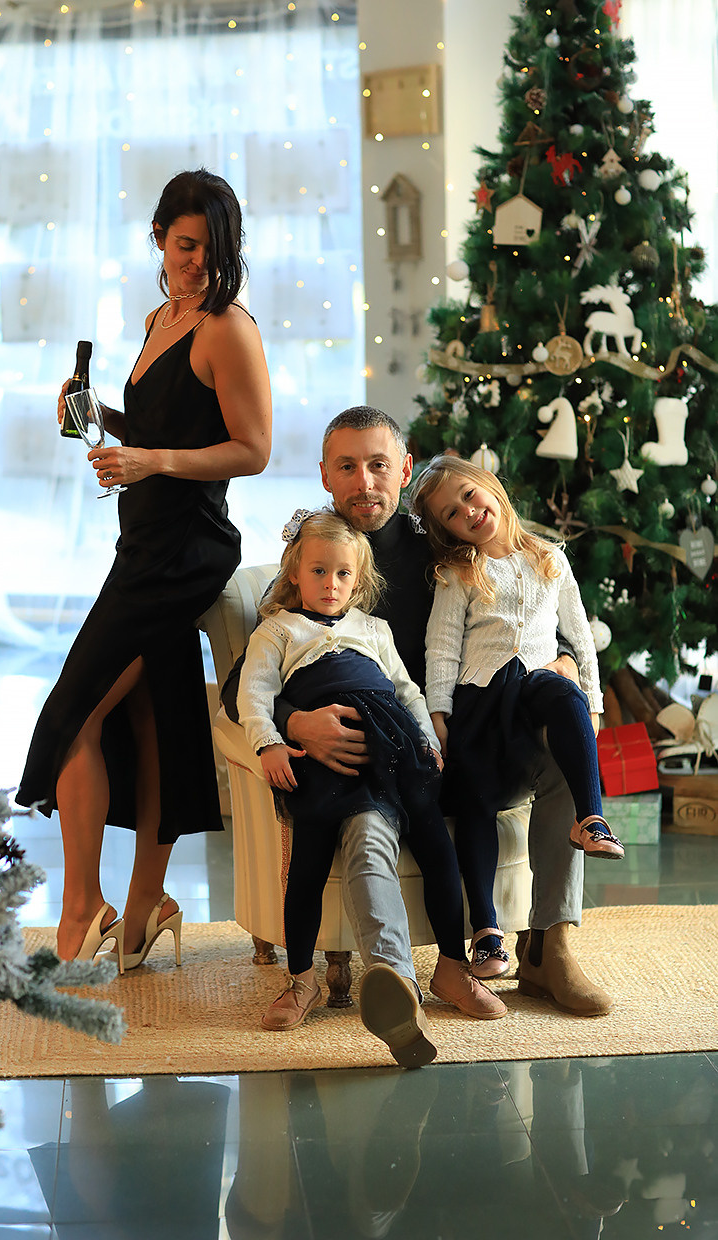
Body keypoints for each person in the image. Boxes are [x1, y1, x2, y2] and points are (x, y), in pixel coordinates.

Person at [222, 406, 614, 1064]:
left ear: (404, 471)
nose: (364, 482)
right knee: (371, 823)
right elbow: (246, 677)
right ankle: (390, 974)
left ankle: (549, 946)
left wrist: (569, 661)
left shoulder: (443, 544)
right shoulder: (314, 556)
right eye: (347, 467)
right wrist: (292, 723)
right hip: (367, 760)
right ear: (325, 475)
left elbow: (532, 600)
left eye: (378, 465)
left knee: (562, 753)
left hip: (462, 737)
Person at [16, 168, 272, 971]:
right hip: (144, 541)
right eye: (186, 244)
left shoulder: (228, 327)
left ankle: (82, 906)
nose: (199, 261)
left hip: (187, 550)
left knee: (73, 714)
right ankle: (145, 907)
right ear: (157, 237)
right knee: (153, 716)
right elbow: (165, 426)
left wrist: (150, 459)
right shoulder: (163, 317)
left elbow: (252, 450)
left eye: (213, 248)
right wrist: (98, 417)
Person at [237, 509, 504, 1055]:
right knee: (307, 862)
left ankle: (451, 966)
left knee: (436, 845)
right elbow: (253, 694)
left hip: (396, 744)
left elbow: (405, 689)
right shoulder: (277, 630)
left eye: (343, 574)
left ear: (358, 580)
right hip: (325, 758)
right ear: (295, 573)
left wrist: (428, 738)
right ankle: (302, 979)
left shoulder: (373, 628)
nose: (330, 584)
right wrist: (268, 743)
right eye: (318, 571)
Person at [408, 454, 623, 982]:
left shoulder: (550, 558)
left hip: (535, 686)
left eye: (468, 495)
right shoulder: (459, 573)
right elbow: (442, 648)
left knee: (564, 690)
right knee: (476, 798)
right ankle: (487, 932)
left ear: (489, 486)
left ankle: (591, 819)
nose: (467, 511)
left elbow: (581, 636)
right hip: (481, 697)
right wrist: (439, 715)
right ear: (447, 531)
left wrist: (594, 703)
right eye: (452, 513)